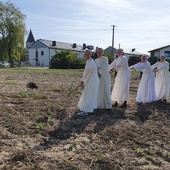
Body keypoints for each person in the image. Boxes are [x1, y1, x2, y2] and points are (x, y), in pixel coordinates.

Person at [77, 49, 99, 115]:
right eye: (85, 54)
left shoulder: (91, 62)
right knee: (90, 95)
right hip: (92, 80)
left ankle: (86, 110)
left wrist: (82, 81)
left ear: (90, 55)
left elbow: (87, 74)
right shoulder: (89, 61)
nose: (86, 56)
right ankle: (90, 108)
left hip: (91, 81)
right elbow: (86, 73)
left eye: (87, 54)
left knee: (88, 95)